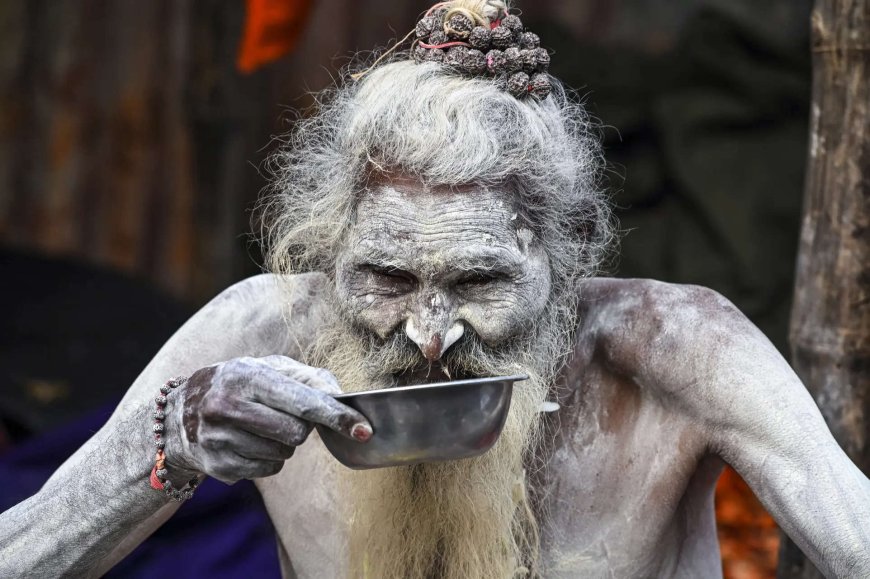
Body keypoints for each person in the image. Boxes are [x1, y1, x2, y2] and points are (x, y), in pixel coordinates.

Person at [1, 1, 868, 577]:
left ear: (563, 262)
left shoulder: (673, 345)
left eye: (480, 279)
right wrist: (168, 447)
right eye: (385, 276)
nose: (429, 332)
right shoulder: (262, 327)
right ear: (326, 250)